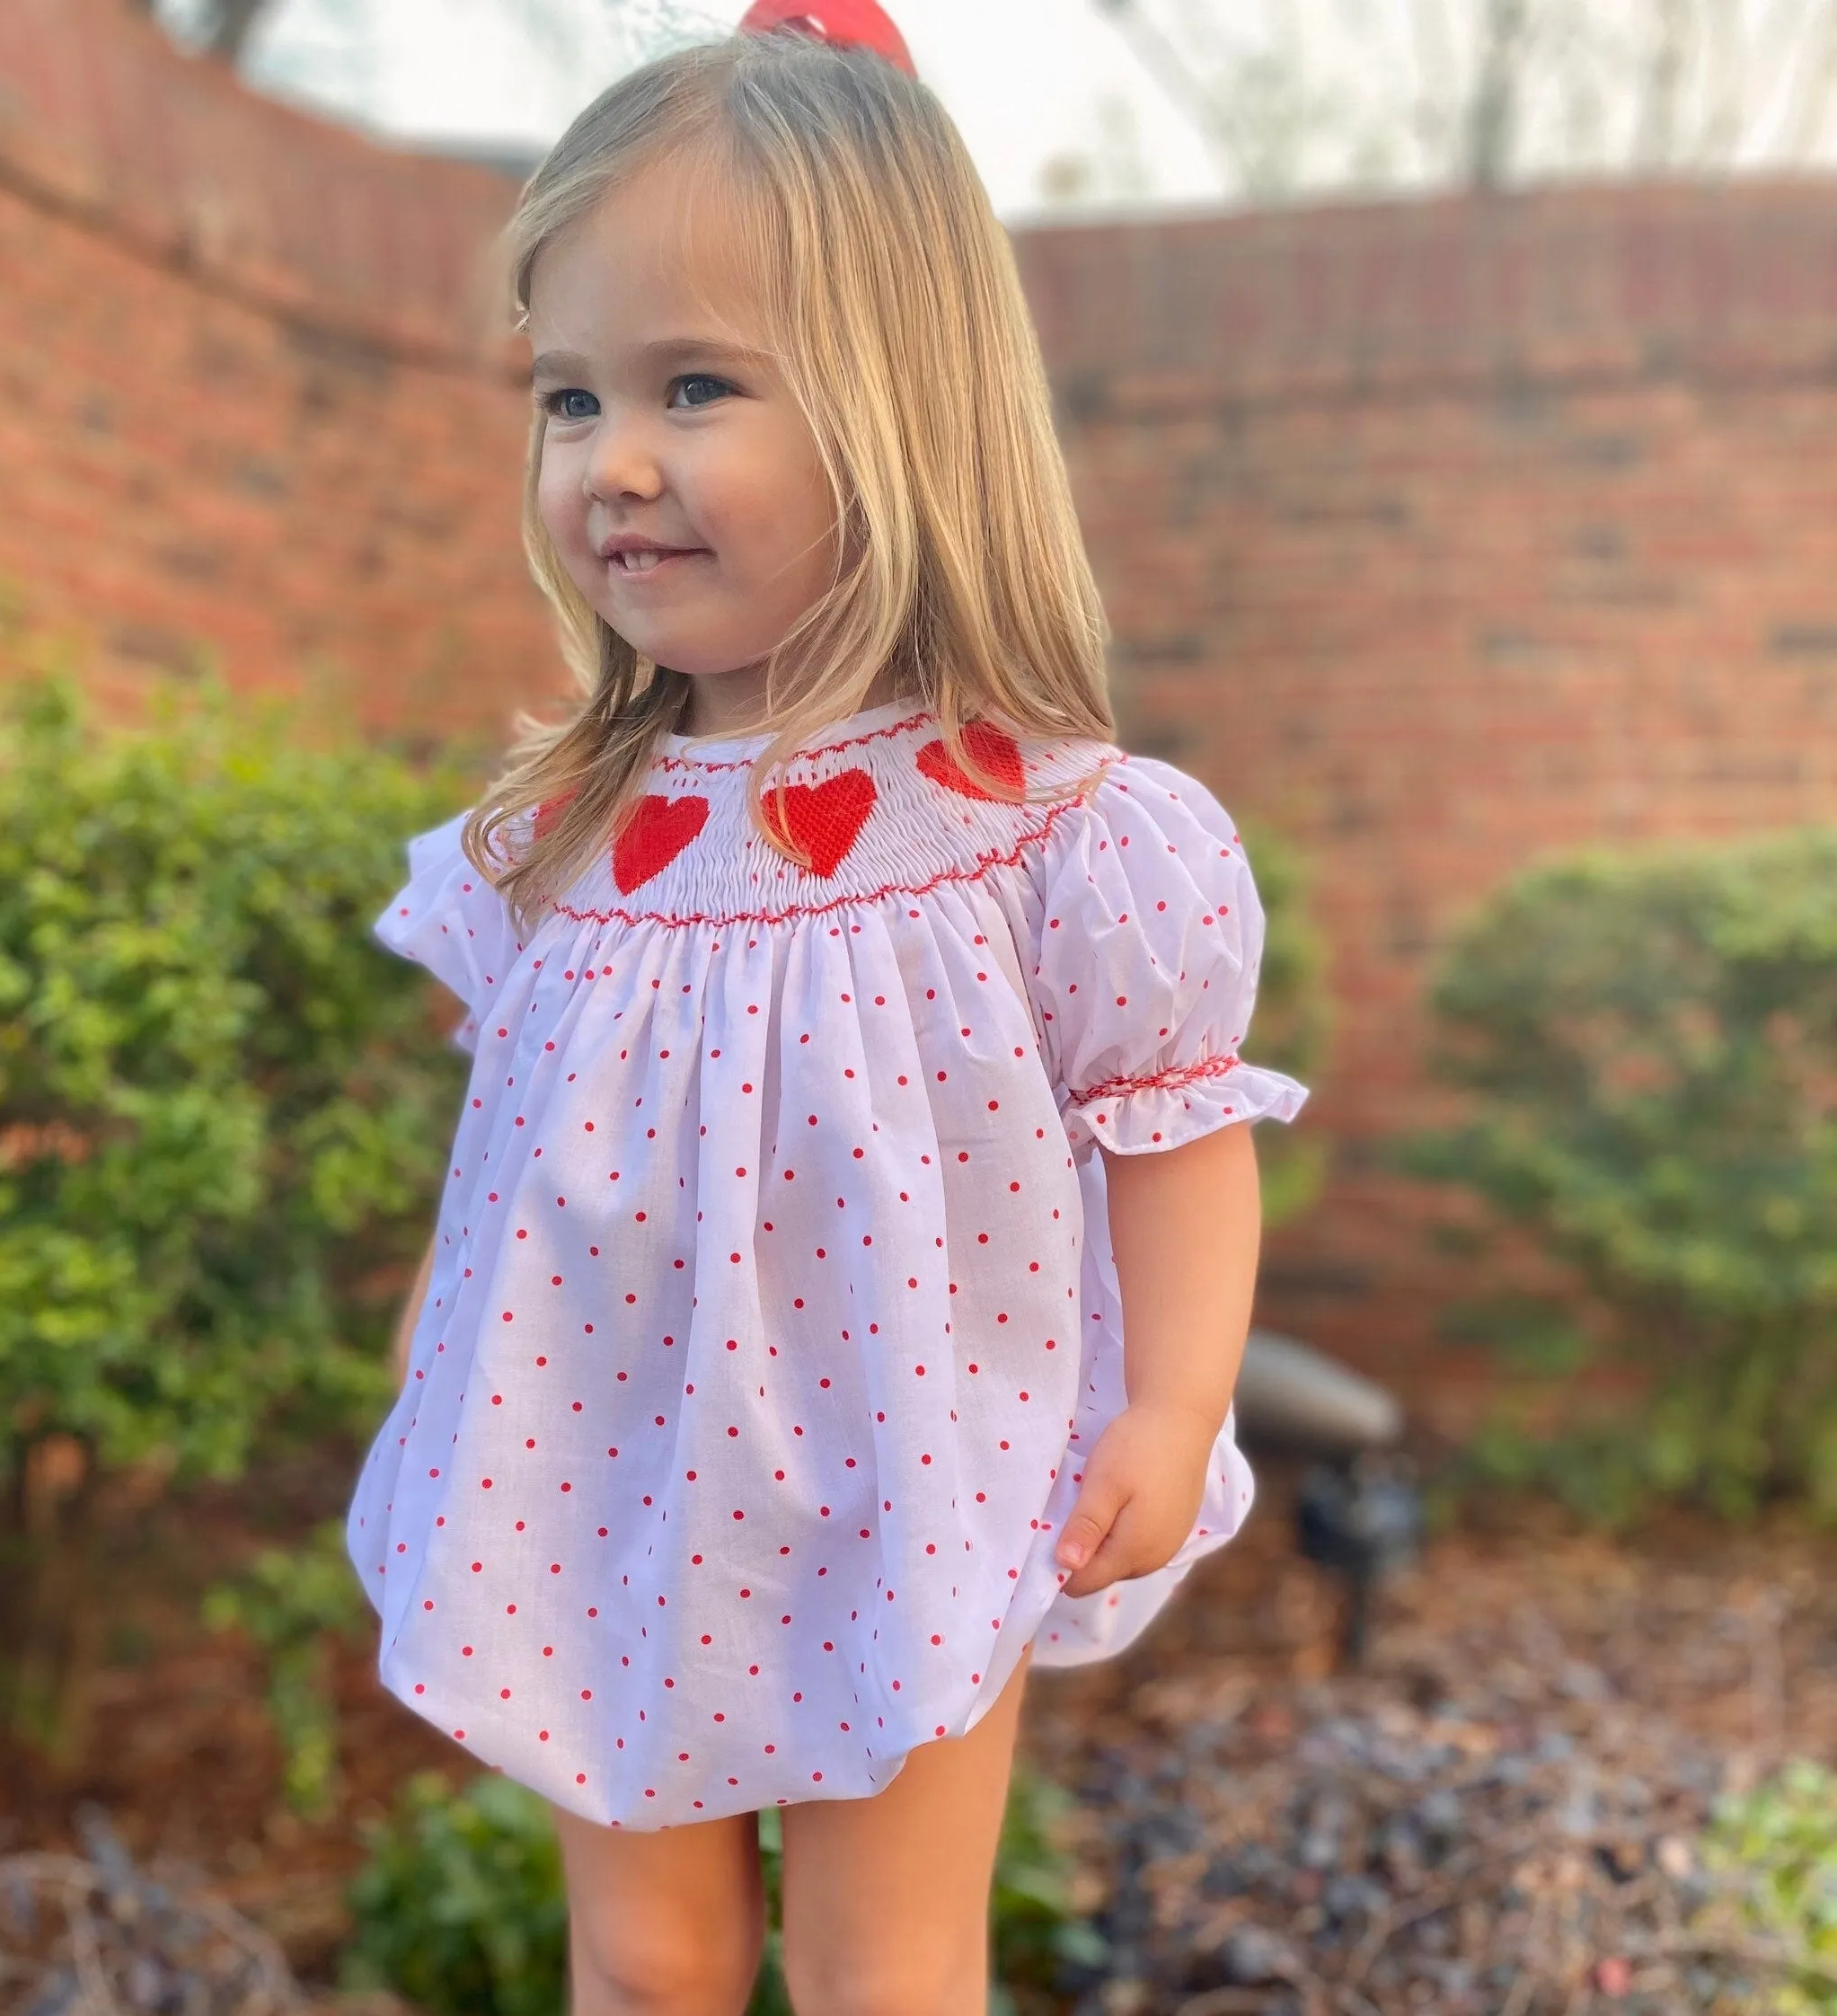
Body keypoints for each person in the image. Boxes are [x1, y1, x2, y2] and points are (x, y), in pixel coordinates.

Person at [346, 5, 1310, 2010]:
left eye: (693, 387)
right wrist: (451, 1369)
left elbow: (1174, 1125)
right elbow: (521, 1164)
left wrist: (1173, 1401)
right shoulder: (555, 839)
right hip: (598, 1475)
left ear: (903, 406)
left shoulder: (1048, 836)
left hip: (923, 1472)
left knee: (889, 1964)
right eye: (567, 398)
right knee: (645, 1954)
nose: (611, 463)